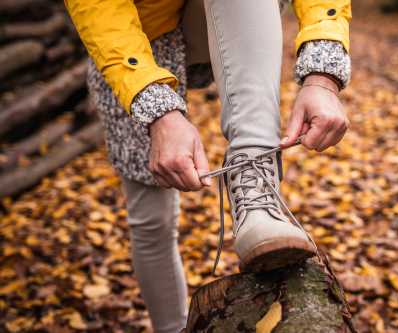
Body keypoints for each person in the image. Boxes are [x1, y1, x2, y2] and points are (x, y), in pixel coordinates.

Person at [64, 0, 351, 332]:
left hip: (236, 13)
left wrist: (322, 76)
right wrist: (158, 112)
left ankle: (255, 185)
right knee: (151, 219)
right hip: (133, 35)